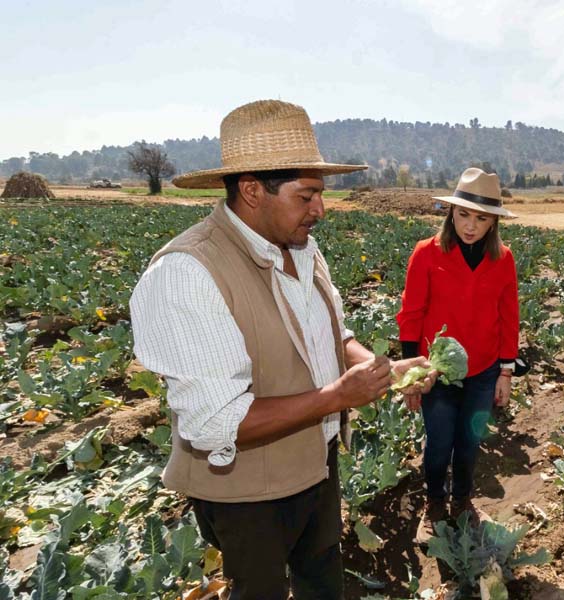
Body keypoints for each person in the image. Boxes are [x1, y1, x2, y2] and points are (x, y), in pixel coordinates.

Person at [130, 99, 435, 600]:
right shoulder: (188, 273)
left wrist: (387, 371)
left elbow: (334, 337)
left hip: (316, 463)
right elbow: (214, 424)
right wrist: (336, 398)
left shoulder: (301, 246)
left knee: (321, 577)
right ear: (252, 190)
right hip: (246, 494)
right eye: (307, 195)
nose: (320, 209)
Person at [396, 167, 520, 545]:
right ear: (451, 213)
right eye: (464, 214)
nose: (471, 226)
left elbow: (508, 316)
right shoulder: (426, 252)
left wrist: (506, 373)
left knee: (469, 441)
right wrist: (412, 375)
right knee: (438, 443)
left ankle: (462, 500)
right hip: (438, 373)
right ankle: (434, 504)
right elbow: (411, 314)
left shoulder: (503, 260)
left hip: (483, 372)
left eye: (481, 218)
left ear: (493, 222)